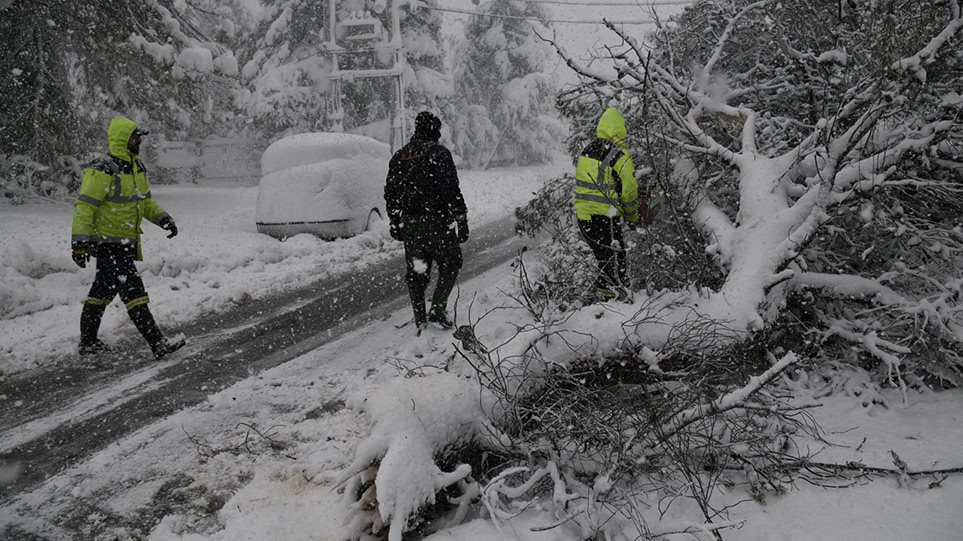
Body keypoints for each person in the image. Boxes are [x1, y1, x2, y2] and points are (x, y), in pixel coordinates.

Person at [71, 115, 185, 359]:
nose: (139, 142)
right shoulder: (103, 169)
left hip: (125, 242)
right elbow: (85, 206)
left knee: (102, 291)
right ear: (124, 139)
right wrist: (79, 244)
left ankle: (88, 342)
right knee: (134, 292)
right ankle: (157, 342)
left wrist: (163, 218)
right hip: (107, 242)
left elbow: (144, 202)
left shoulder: (136, 168)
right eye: (135, 137)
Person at [384, 111, 469, 332]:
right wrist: (461, 219)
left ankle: (419, 317)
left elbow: (390, 194)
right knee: (451, 262)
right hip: (437, 221)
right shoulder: (439, 154)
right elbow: (452, 190)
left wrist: (395, 221)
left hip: (410, 223)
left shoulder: (399, 157)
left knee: (417, 271)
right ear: (434, 131)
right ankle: (438, 309)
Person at [574, 107, 651, 300]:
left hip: (584, 218)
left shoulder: (588, 149)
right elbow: (629, 189)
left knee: (605, 260)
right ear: (620, 130)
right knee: (617, 261)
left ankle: (608, 299)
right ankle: (616, 302)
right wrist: (633, 216)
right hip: (604, 217)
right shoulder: (618, 154)